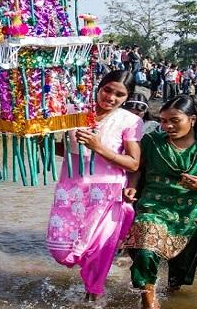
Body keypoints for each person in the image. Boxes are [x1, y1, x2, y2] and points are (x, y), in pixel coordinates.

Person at [123, 95, 197, 309]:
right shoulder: (152, 141)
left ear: (192, 118)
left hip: (190, 211)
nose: (167, 126)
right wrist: (132, 184)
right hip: (153, 206)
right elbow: (138, 167)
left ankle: (172, 292)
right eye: (163, 120)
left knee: (178, 274)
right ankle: (148, 299)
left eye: (174, 120)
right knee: (145, 248)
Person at [46, 70, 142, 300]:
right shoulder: (73, 112)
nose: (111, 97)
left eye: (119, 94)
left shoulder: (130, 121)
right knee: (61, 250)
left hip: (106, 194)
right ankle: (89, 284)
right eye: (108, 90)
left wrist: (98, 147)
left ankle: (92, 295)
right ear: (99, 86)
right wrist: (41, 139)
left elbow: (133, 163)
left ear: (126, 98)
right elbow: (65, 150)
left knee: (99, 250)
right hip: (71, 189)